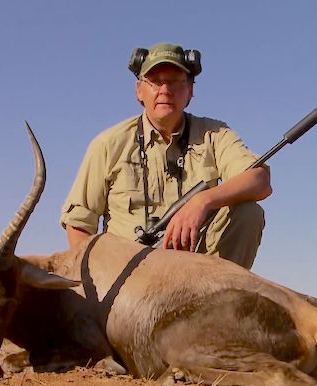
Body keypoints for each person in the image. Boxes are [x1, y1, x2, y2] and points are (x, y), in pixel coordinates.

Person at [60, 42, 272, 270]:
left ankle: (223, 301)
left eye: (174, 81)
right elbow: (79, 225)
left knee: (248, 213)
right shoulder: (107, 145)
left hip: (201, 269)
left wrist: (203, 201)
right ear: (139, 90)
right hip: (128, 278)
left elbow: (259, 181)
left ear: (190, 90)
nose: (165, 90)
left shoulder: (215, 134)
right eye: (155, 81)